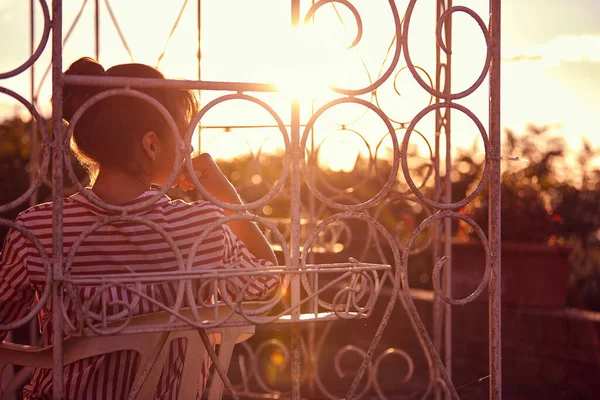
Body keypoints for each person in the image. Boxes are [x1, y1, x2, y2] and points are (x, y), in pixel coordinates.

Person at [0, 57, 280, 399]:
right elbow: (268, 289)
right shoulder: (200, 227)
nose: (190, 148)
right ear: (151, 144)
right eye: (184, 133)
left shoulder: (40, 230)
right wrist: (226, 196)